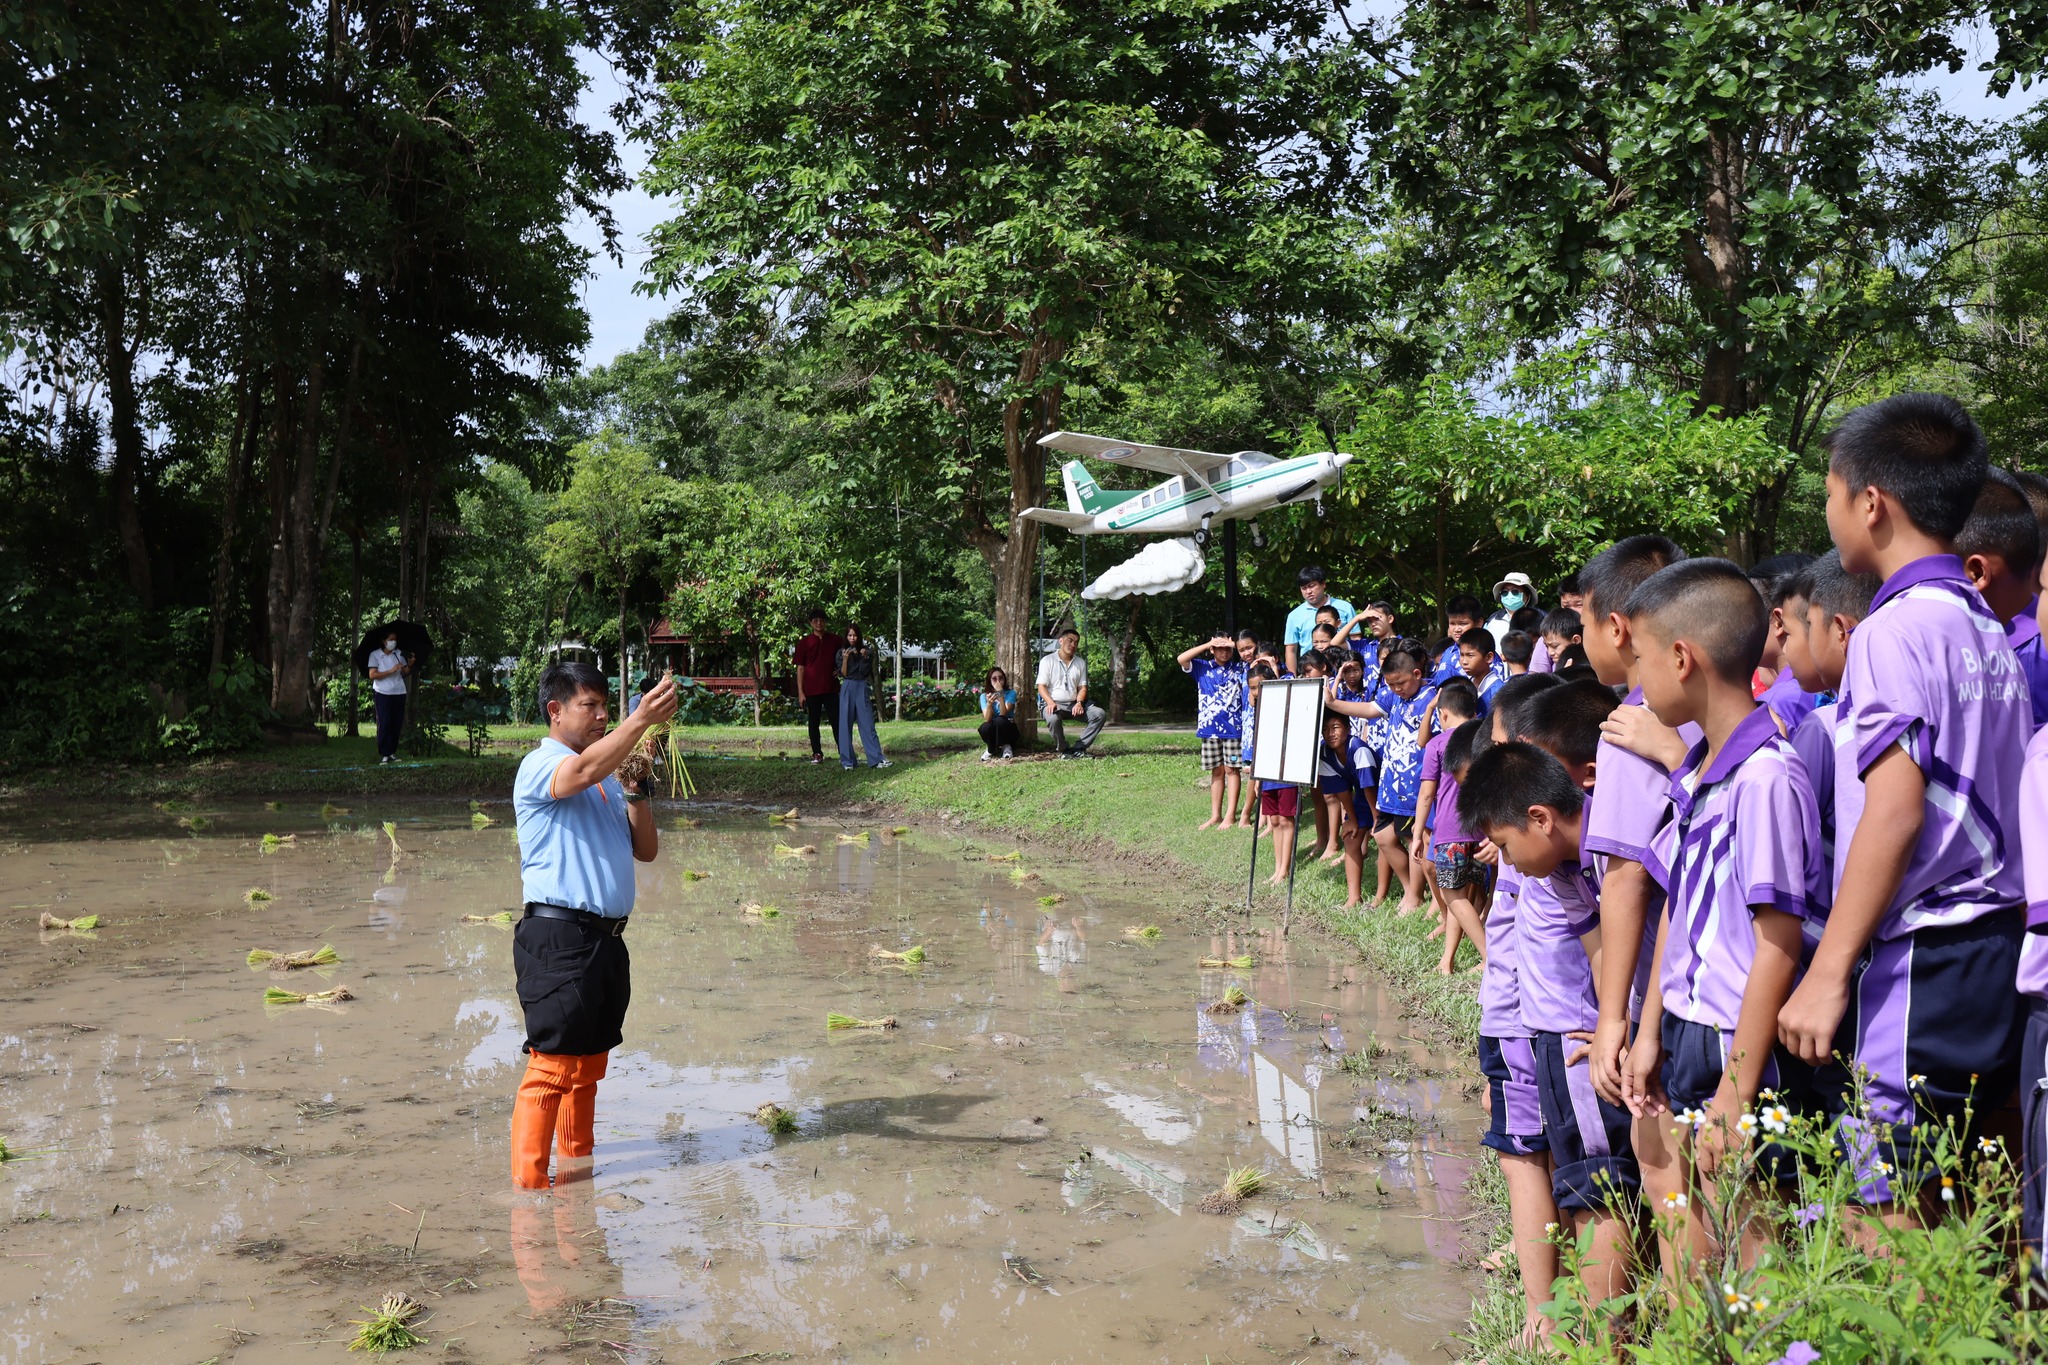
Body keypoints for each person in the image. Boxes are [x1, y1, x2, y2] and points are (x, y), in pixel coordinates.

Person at [1778, 393, 2031, 1218]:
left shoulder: (1890, 633)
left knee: (1873, 1201)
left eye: (1828, 494)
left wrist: (1823, 974)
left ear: (1872, 503)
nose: (1827, 512)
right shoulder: (1985, 623)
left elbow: (1894, 810)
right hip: (1996, 944)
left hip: (1925, 950)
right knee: (1958, 1193)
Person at [1616, 559, 1823, 1270]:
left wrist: (1738, 1090)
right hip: (1687, 1026)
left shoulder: (1766, 776)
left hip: (1739, 1038)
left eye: (1641, 660)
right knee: (1700, 1233)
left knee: (1753, 1238)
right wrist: (1650, 1031)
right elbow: (1679, 897)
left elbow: (1777, 944)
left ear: (1682, 657)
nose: (1639, 683)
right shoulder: (1703, 764)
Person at [1459, 733, 1637, 1310]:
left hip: (1580, 1042)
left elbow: (1618, 945)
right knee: (1582, 1184)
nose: (1504, 862)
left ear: (1538, 818)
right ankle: (1579, 1318)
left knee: (1598, 1190)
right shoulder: (1562, 870)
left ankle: (1598, 1335)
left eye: (1505, 846)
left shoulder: (1608, 856)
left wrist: (1621, 1022)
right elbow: (1599, 948)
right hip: (1566, 1034)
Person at [508, 662, 678, 1190]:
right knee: (552, 1068)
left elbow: (646, 851)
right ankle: (529, 1195)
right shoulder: (543, 765)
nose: (603, 715)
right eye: (591, 706)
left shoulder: (606, 782)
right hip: (558, 938)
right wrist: (641, 722)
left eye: (608, 706)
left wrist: (637, 789)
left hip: (605, 941)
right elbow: (578, 775)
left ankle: (575, 1182)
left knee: (586, 1071)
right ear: (555, 711)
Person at [1466, 673, 1565, 1349]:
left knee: (1525, 1157)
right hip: (1526, 1012)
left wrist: (1496, 1021)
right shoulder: (1537, 840)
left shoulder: (1542, 850)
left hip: (1527, 1015)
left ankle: (1543, 1311)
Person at [1327, 639, 1438, 913]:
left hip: (1417, 786)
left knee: (1416, 839)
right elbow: (1367, 710)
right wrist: (1334, 703)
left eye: (1401, 683)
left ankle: (1416, 897)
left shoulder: (1433, 697)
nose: (1396, 689)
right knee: (1384, 837)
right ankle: (1412, 891)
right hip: (1391, 784)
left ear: (1416, 673)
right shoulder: (1392, 696)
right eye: (1391, 685)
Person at [1416, 711, 1486, 973]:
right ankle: (1447, 960)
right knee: (1463, 895)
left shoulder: (1437, 743)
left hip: (1450, 831)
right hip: (1482, 830)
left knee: (1453, 895)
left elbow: (1426, 794)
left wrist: (1417, 835)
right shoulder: (1483, 734)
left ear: (1442, 713)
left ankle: (1489, 956)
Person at [1177, 634, 1245, 829]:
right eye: (1219, 648)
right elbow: (1181, 659)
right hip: (1209, 730)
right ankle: (1215, 815)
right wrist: (1209, 643)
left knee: (1232, 771)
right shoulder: (1201, 667)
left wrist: (1233, 643)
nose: (1224, 651)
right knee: (1217, 772)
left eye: (1227, 648)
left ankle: (1230, 815)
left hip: (1234, 730)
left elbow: (1255, 655)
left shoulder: (1239, 668)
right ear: (1212, 650)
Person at [1320, 711, 1380, 907]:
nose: (1331, 734)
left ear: (1347, 729)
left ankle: (1401, 892)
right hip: (1361, 796)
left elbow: (1369, 786)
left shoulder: (1359, 749)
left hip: (1382, 794)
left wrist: (1376, 820)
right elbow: (1342, 790)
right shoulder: (1325, 753)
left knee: (1385, 839)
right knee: (1350, 837)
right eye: (1326, 730)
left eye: (1335, 728)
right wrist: (1351, 819)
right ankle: (1354, 897)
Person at [1036, 626, 1107, 757]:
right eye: (1070, 640)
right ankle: (1064, 750)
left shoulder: (1080, 663)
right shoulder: (1047, 660)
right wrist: (1050, 702)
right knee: (1052, 719)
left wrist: (1079, 702)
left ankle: (1079, 748)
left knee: (1099, 714)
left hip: (1074, 704)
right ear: (1061, 641)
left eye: (1076, 642)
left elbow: (1083, 688)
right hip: (1054, 703)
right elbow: (1041, 686)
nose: (1073, 644)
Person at [834, 625, 889, 769]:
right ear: (846, 637)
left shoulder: (867, 651)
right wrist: (845, 660)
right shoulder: (841, 653)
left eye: (855, 635)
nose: (852, 638)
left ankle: (876, 759)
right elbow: (844, 674)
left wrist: (865, 657)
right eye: (850, 635)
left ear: (859, 636)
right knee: (845, 725)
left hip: (861, 687)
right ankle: (848, 761)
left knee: (868, 724)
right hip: (847, 687)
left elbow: (866, 672)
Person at [793, 610, 844, 764]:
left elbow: (846, 657)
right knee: (813, 722)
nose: (819, 623)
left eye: (821, 620)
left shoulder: (836, 640)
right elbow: (800, 668)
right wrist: (801, 692)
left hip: (831, 688)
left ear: (825, 622)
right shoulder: (804, 643)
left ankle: (844, 752)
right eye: (815, 620)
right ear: (810, 623)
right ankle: (817, 753)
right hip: (811, 690)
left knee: (836, 721)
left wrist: (840, 671)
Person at [1285, 566, 1355, 674]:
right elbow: (1291, 651)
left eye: (1312, 586)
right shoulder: (1294, 616)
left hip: (1343, 670)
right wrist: (1292, 678)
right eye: (1304, 588)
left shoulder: (1345, 607)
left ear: (1323, 584)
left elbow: (1355, 640)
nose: (1308, 591)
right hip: (1311, 673)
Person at [367, 630, 412, 764]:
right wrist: (390, 671)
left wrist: (409, 664)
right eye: (391, 639)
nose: (394, 642)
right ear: (384, 641)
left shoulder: (399, 654)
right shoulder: (375, 655)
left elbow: (405, 672)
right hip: (382, 692)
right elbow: (373, 675)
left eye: (395, 639)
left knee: (396, 723)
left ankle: (392, 752)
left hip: (399, 692)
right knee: (385, 722)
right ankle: (384, 753)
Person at [978, 666, 1021, 760]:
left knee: (1000, 720)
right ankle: (991, 749)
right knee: (984, 727)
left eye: (1001, 678)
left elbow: (1003, 713)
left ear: (1004, 679)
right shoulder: (984, 696)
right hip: (994, 728)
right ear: (989, 681)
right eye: (994, 678)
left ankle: (1007, 746)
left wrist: (1000, 694)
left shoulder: (1011, 693)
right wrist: (989, 704)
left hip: (1008, 726)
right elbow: (987, 718)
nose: (998, 681)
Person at [1485, 572, 1538, 647]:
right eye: (1505, 592)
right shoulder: (1492, 621)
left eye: (1515, 591)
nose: (1509, 595)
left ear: (1527, 596)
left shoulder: (1539, 619)